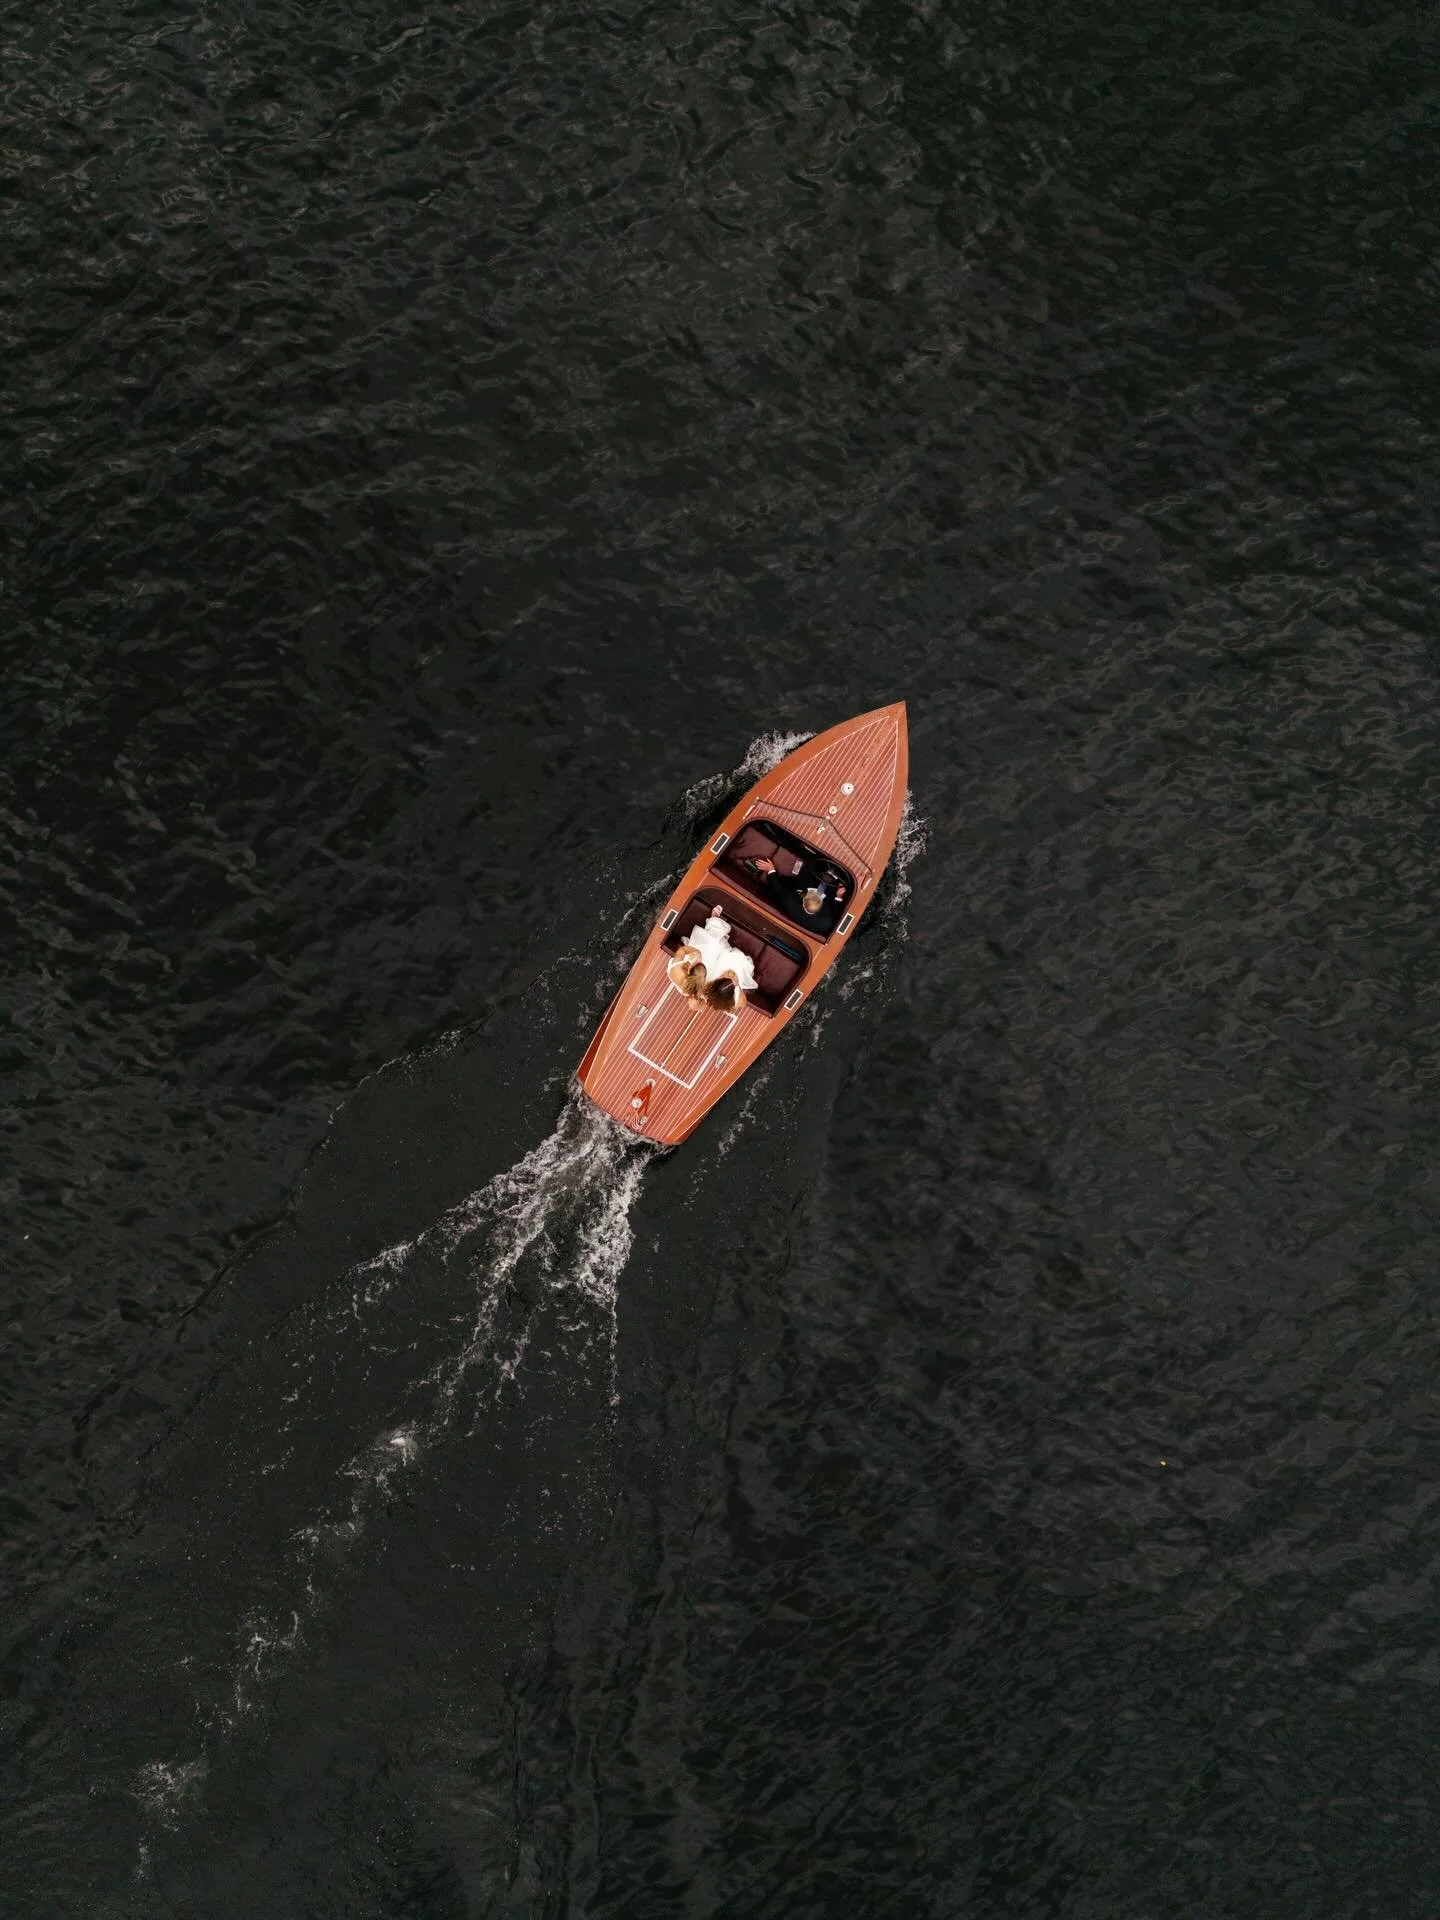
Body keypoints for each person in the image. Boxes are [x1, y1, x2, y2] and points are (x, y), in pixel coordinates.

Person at [684, 904, 757, 998]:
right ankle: (714, 924)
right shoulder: (708, 992)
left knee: (709, 948)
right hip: (714, 978)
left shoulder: (689, 984)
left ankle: (714, 921)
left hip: (706, 973)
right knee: (724, 955)